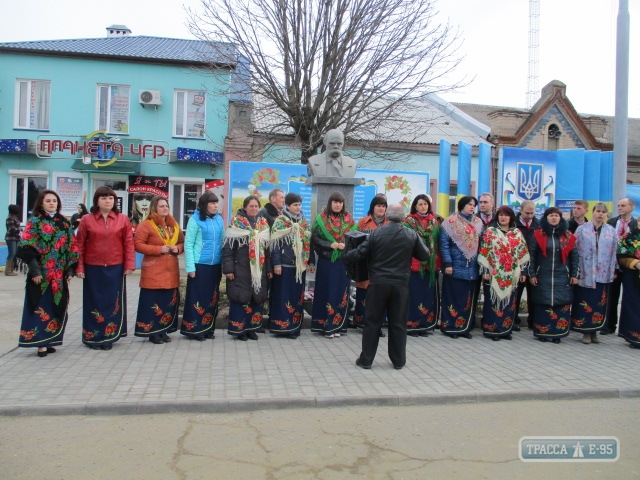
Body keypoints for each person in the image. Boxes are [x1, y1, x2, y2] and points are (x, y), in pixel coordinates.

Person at [343, 204, 430, 369]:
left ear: (387, 217)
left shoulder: (376, 234)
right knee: (398, 323)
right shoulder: (411, 234)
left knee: (372, 322)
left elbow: (360, 253)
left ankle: (366, 360)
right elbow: (424, 255)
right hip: (400, 285)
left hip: (378, 284)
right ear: (403, 218)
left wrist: (345, 255)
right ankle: (398, 361)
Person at [16, 190, 79, 357]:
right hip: (41, 273)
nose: (52, 203)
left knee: (56, 306)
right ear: (41, 203)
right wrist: (35, 271)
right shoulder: (35, 221)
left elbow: (72, 247)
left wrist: (71, 269)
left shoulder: (64, 223)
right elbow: (27, 246)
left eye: (54, 201)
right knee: (39, 306)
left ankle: (50, 340)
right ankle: (40, 343)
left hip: (59, 275)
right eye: (48, 201)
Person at [76, 186, 135, 350]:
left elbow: (128, 243)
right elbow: (79, 245)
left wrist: (130, 264)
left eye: (110, 198)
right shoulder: (87, 219)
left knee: (112, 302)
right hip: (92, 268)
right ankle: (93, 337)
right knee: (93, 302)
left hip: (115, 267)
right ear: (97, 201)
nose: (107, 201)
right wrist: (79, 267)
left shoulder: (122, 219)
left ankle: (109, 335)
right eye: (103, 198)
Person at [133, 196, 184, 344]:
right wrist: (158, 249)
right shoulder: (146, 225)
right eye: (161, 206)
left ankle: (163, 330)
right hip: (153, 271)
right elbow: (138, 245)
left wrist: (177, 248)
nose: (165, 208)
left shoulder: (173, 225)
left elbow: (181, 241)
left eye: (166, 206)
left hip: (170, 271)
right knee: (152, 302)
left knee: (167, 301)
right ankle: (152, 332)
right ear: (154, 208)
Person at [223, 195, 272, 341]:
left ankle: (252, 328)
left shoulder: (263, 224)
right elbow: (228, 249)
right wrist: (229, 270)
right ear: (245, 207)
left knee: (256, 298)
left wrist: (268, 269)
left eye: (256, 206)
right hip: (240, 269)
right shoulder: (236, 224)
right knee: (240, 298)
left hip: (258, 269)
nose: (254, 209)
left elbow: (267, 250)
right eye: (251, 206)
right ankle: (239, 330)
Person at [477, 206, 529, 341]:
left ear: (511, 217)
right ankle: (492, 330)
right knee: (493, 302)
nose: (503, 217)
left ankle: (506, 330)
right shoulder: (490, 232)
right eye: (500, 215)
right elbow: (485, 252)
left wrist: (523, 271)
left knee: (509, 303)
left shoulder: (517, 233)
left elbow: (522, 253)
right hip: (494, 273)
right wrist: (485, 271)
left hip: (511, 274)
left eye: (506, 215)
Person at [528, 207, 579, 344]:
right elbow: (531, 256)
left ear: (560, 218)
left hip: (562, 274)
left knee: (561, 302)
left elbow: (574, 256)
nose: (554, 218)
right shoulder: (538, 234)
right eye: (551, 215)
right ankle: (542, 332)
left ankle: (558, 333)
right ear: (546, 218)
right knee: (543, 302)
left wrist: (574, 274)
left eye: (557, 215)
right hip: (543, 274)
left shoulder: (568, 236)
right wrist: (532, 273)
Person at [269, 193, 315, 339]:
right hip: (284, 265)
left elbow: (309, 243)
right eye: (295, 205)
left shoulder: (304, 222)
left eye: (299, 204)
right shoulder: (280, 221)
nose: (298, 207)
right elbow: (275, 245)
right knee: (282, 297)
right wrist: (276, 264)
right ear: (288, 206)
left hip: (299, 267)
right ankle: (282, 327)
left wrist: (311, 261)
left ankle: (294, 328)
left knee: (297, 297)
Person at [310, 191, 355, 338]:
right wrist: (331, 244)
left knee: (340, 293)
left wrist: (344, 245)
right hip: (326, 262)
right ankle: (325, 326)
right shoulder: (321, 219)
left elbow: (355, 240)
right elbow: (315, 240)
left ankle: (338, 326)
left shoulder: (349, 220)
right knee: (326, 291)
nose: (338, 205)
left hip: (342, 263)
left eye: (340, 202)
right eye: (335, 202)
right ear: (330, 203)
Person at [571, 203, 617, 344]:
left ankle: (595, 330)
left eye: (603, 212)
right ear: (593, 212)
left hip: (603, 273)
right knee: (585, 302)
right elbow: (574, 249)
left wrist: (614, 269)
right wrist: (575, 271)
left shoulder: (611, 230)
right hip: (585, 272)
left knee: (599, 303)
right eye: (598, 211)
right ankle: (585, 331)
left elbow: (614, 251)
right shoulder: (582, 229)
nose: (600, 214)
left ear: (606, 214)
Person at [182, 191, 225, 341]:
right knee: (197, 298)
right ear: (205, 204)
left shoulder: (219, 220)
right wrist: (190, 268)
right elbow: (188, 244)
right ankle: (195, 329)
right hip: (200, 265)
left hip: (215, 265)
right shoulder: (195, 220)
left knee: (212, 297)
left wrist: (224, 264)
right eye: (212, 203)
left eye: (216, 203)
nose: (215, 206)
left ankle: (208, 328)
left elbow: (223, 242)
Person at [440, 196, 483, 339]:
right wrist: (448, 264)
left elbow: (482, 245)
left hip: (472, 267)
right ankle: (451, 327)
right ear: (462, 205)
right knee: (453, 298)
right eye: (469, 205)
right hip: (455, 266)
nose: (472, 207)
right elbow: (444, 245)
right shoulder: (450, 222)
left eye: (474, 205)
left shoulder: (478, 223)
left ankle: (465, 328)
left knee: (468, 299)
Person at [403, 194, 440, 337]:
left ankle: (424, 324)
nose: (423, 207)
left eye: (425, 204)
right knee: (414, 296)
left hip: (430, 266)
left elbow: (437, 244)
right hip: (414, 264)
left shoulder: (434, 222)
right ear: (415, 206)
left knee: (426, 295)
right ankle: (412, 325)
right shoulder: (408, 222)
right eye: (420, 204)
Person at [353, 195, 388, 330]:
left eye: (383, 206)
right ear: (373, 207)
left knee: (381, 293)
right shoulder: (363, 222)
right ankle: (361, 322)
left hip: (383, 263)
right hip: (366, 262)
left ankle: (379, 324)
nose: (381, 208)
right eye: (378, 205)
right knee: (364, 290)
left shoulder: (389, 223)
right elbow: (356, 241)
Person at [603, 197, 638, 335]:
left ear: (632, 207)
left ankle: (626, 328)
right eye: (618, 205)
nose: (620, 208)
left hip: (631, 266)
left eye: (623, 205)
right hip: (613, 265)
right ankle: (609, 325)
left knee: (629, 298)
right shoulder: (612, 223)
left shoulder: (636, 225)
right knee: (611, 296)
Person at [514, 200, 540, 330]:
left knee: (533, 295)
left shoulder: (538, 225)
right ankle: (514, 320)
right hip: (517, 264)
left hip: (533, 263)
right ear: (520, 210)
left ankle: (533, 321)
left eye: (532, 213)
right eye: (527, 213)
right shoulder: (514, 224)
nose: (530, 216)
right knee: (516, 294)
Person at [616, 224, 640, 349]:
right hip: (633, 277)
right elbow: (621, 255)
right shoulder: (629, 237)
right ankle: (634, 337)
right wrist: (635, 263)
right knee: (634, 306)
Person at [5, 204, 21, 276]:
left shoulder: (15, 217)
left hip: (16, 238)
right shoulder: (10, 218)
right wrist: (19, 230)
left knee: (15, 254)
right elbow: (11, 229)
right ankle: (8, 271)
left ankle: (11, 270)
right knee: (12, 254)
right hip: (11, 238)